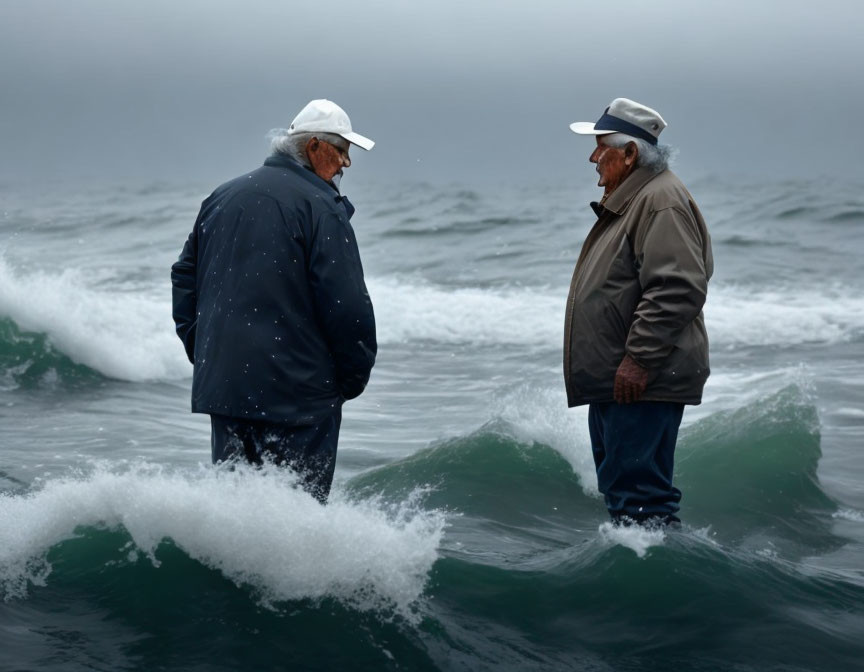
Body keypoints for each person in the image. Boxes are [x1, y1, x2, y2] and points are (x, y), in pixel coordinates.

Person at [171, 99, 377, 503]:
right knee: (297, 526)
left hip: (227, 390)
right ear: (315, 146)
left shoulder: (222, 197)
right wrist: (350, 381)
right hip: (298, 399)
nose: (346, 164)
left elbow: (184, 276)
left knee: (237, 523)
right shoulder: (321, 207)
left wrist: (204, 349)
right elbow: (347, 306)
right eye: (342, 149)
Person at [564, 98, 713, 526]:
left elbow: (677, 286)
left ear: (630, 154)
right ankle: (638, 585)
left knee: (641, 502)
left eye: (601, 147)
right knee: (625, 496)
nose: (593, 157)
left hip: (640, 381)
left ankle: (657, 588)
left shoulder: (659, 200)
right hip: (624, 381)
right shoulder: (638, 198)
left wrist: (638, 359)